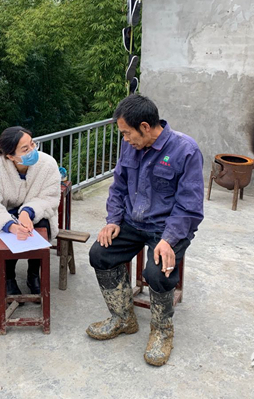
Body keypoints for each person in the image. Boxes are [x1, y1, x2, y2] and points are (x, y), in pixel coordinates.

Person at [87, 95, 204, 366]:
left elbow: (189, 205)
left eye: (127, 132)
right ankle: (122, 318)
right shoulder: (130, 146)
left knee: (157, 272)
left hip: (168, 227)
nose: (125, 138)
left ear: (145, 126)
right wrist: (113, 220)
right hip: (132, 221)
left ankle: (162, 331)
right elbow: (118, 187)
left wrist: (169, 239)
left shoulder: (185, 150)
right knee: (100, 254)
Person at [0, 126, 61, 296]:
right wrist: (10, 225)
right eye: (25, 149)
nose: (32, 151)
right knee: (7, 231)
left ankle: (33, 274)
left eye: (32, 144)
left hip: (34, 212)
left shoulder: (48, 164)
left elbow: (49, 198)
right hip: (4, 213)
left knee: (42, 224)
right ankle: (9, 277)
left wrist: (27, 212)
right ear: (10, 156)